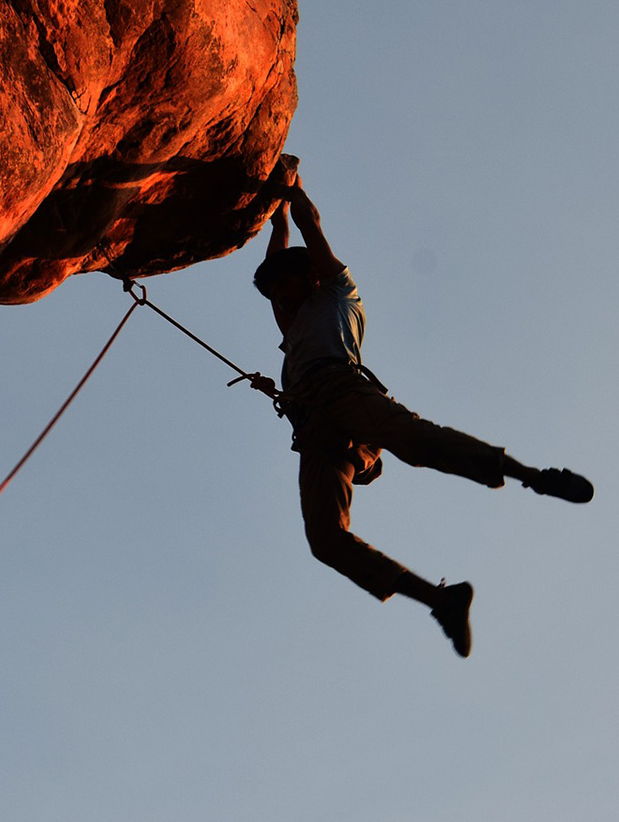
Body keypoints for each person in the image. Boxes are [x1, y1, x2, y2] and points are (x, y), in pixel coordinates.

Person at [251, 169, 593, 657]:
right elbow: (279, 251)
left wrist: (292, 191)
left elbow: (310, 228)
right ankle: (440, 600)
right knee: (325, 540)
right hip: (314, 427)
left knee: (416, 442)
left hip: (343, 391)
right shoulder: (293, 319)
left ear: (310, 277)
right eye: (276, 292)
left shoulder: (337, 293)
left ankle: (533, 475)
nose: (279, 298)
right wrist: (275, 217)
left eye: (285, 285)